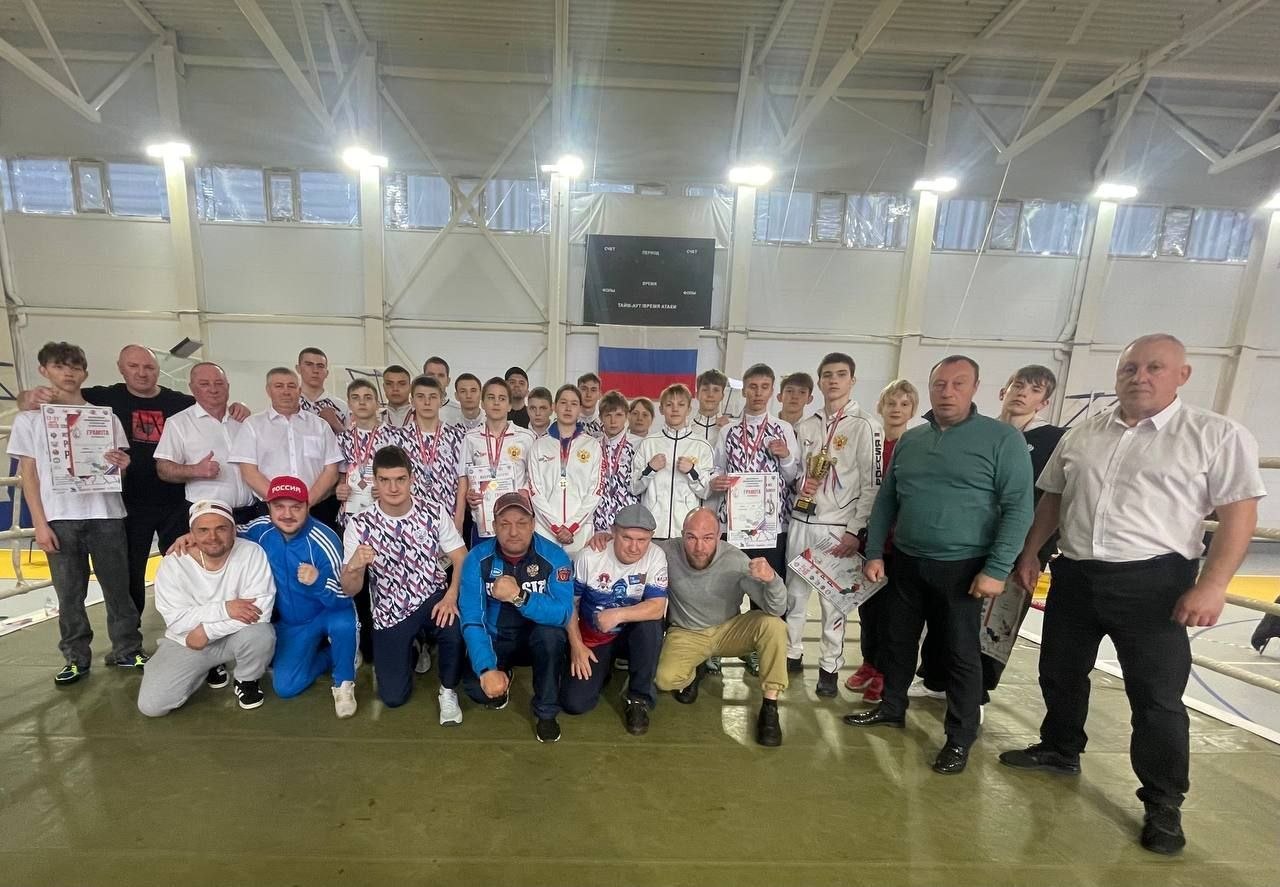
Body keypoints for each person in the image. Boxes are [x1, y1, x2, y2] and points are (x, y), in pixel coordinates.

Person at [1001, 334, 1266, 855]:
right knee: (1059, 671)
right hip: (1076, 575)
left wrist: (1213, 585)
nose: (1140, 377)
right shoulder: (1084, 433)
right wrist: (1030, 552)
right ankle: (1059, 748)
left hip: (1155, 584)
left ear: (1182, 375)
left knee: (1156, 698)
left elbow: (1240, 515)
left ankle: (1163, 802)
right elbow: (1053, 499)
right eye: (1130, 368)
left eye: (1154, 368)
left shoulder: (1214, 435)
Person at [847, 355, 1034, 778]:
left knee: (959, 653)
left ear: (975, 388)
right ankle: (892, 706)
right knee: (897, 641)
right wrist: (874, 551)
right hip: (908, 560)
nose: (947, 392)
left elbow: (1018, 508)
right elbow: (888, 499)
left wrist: (997, 568)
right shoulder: (913, 440)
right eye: (939, 384)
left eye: (958, 383)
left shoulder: (1001, 439)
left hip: (964, 567)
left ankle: (960, 735)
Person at [912, 365, 1065, 704]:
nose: (1022, 393)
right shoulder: (976, 432)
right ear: (1002, 391)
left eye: (1034, 390)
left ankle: (976, 693)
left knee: (997, 621)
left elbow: (1051, 498)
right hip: (967, 542)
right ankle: (935, 678)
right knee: (947, 613)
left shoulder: (1053, 440)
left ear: (1044, 402)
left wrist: (1031, 551)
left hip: (1017, 547)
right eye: (1018, 385)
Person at [22, 344, 198, 619]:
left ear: (158, 370)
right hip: (127, 502)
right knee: (129, 573)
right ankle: (132, 630)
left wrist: (239, 408)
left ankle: (192, 621)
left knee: (186, 564)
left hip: (173, 499)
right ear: (121, 368)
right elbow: (53, 396)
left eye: (149, 367)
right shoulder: (103, 397)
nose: (142, 373)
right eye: (134, 366)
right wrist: (27, 397)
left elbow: (212, 404)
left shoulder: (180, 402)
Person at [8, 342, 143, 683]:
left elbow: (117, 468)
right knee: (69, 594)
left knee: (118, 589)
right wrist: (40, 524)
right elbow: (28, 475)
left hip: (106, 513)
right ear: (44, 370)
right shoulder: (30, 419)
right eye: (59, 366)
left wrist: (122, 465)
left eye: (75, 367)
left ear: (85, 372)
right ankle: (75, 657)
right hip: (60, 517)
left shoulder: (105, 417)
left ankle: (127, 649)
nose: (68, 373)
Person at [342, 446, 469, 721]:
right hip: (390, 610)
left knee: (454, 627)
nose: (393, 487)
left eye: (400, 479)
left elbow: (462, 557)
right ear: (375, 481)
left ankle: (448, 690)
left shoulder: (433, 511)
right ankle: (414, 645)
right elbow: (350, 589)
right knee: (393, 698)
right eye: (385, 480)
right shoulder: (359, 524)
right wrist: (353, 566)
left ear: (411, 478)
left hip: (432, 596)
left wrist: (451, 595)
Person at [784, 352, 883, 696]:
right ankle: (792, 653)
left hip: (837, 526)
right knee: (794, 596)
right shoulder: (806, 425)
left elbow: (873, 485)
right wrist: (802, 484)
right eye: (827, 375)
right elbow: (796, 472)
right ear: (820, 381)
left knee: (834, 603)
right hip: (801, 519)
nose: (834, 380)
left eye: (841, 374)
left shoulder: (866, 426)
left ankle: (828, 668)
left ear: (852, 380)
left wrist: (856, 530)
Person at [654, 509, 788, 747]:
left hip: (729, 631)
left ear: (719, 536)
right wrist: (605, 539)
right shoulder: (667, 551)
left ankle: (770, 706)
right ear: (682, 535)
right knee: (664, 680)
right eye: (691, 537)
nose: (699, 547)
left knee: (773, 625)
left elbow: (775, 608)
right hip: (687, 632)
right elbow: (635, 543)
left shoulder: (736, 560)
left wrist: (772, 580)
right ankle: (695, 669)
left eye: (707, 538)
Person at [137, 500, 276, 716]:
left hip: (223, 635)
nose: (213, 537)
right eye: (203, 530)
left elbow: (260, 611)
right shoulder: (173, 563)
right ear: (191, 533)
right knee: (152, 707)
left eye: (221, 528)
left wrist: (207, 631)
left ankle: (246, 679)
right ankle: (206, 667)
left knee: (261, 634)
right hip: (188, 640)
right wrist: (226, 608)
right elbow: (177, 620)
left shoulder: (251, 552)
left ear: (234, 529)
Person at [459, 492, 573, 743]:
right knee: (478, 690)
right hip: (498, 638)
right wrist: (487, 668)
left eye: (521, 523)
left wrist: (519, 596)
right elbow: (472, 619)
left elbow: (563, 613)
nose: (513, 532)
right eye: (505, 524)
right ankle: (502, 672)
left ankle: (546, 712)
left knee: (552, 636)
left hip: (537, 639)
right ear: (494, 526)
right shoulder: (477, 558)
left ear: (533, 524)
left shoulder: (555, 556)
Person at [564, 504, 668, 735]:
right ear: (613, 532)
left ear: (651, 537)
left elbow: (657, 607)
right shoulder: (589, 557)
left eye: (642, 540)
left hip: (632, 635)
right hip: (595, 635)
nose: (634, 547)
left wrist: (618, 614)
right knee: (574, 704)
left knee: (651, 625)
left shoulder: (656, 556)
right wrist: (576, 645)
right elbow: (570, 605)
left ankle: (639, 698)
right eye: (627, 538)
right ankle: (605, 668)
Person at [845, 379, 919, 703]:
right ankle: (869, 662)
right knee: (868, 609)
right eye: (891, 403)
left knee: (893, 614)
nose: (897, 409)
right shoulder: (872, 443)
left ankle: (885, 672)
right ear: (881, 407)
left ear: (912, 410)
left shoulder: (914, 445)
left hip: (898, 544)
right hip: (868, 541)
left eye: (904, 404)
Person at [710, 363, 800, 578]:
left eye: (764, 387)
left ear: (772, 391)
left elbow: (792, 478)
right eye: (753, 386)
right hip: (734, 522)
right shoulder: (728, 430)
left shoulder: (783, 429)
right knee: (729, 587)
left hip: (770, 525)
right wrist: (715, 480)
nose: (758, 392)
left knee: (768, 587)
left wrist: (786, 456)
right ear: (744, 391)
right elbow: (716, 468)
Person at [155, 361, 259, 527]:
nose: (213, 389)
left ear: (228, 386)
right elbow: (163, 469)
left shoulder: (244, 420)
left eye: (219, 383)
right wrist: (195, 470)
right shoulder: (178, 423)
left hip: (251, 512)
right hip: (208, 517)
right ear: (192, 388)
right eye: (204, 384)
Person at [228, 367, 342, 516]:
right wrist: (280, 505)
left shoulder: (320, 426)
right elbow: (249, 472)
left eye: (291, 386)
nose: (286, 391)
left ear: (299, 390)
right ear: (268, 390)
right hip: (270, 508)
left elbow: (331, 471)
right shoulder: (252, 425)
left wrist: (306, 502)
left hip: (317, 507)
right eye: (279, 386)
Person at [631, 383, 715, 541]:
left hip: (687, 532)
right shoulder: (648, 443)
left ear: (689, 409)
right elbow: (634, 487)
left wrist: (692, 470)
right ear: (661, 409)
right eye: (669, 405)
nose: (675, 409)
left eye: (681, 405)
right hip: (653, 530)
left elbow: (706, 492)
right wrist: (650, 469)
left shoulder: (702, 446)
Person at [458, 378, 536, 541]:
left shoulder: (526, 437)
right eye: (491, 397)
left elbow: (536, 476)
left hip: (516, 523)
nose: (496, 403)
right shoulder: (471, 438)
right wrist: (469, 494)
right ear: (482, 403)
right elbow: (464, 477)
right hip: (483, 523)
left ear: (509, 405)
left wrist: (525, 492)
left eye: (502, 398)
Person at [528, 384, 603, 553]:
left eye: (574, 403)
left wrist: (573, 526)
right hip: (545, 530)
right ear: (554, 407)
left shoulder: (592, 446)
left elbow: (596, 490)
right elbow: (535, 491)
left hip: (580, 530)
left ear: (580, 409)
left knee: (579, 570)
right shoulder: (539, 446)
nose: (568, 408)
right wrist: (554, 526)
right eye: (563, 402)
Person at [397, 375, 466, 527]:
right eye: (420, 397)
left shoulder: (457, 437)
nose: (427, 402)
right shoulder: (399, 438)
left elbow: (462, 480)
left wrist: (459, 519)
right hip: (410, 518)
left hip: (447, 518)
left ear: (441, 400)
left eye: (433, 397)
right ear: (412, 401)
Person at [336, 379, 402, 526]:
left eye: (368, 397)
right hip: (350, 518)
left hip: (386, 517)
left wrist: (386, 488)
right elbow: (341, 475)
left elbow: (405, 475)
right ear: (349, 404)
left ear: (377, 404)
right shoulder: (342, 439)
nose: (362, 402)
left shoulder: (396, 436)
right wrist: (340, 488)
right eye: (356, 398)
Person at [592, 391, 639, 545]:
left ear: (627, 416)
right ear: (600, 418)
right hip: (598, 526)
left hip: (628, 524)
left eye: (618, 415)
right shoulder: (593, 446)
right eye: (608, 415)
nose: (613, 421)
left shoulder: (639, 445)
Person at [296, 347, 348, 434]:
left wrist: (336, 424)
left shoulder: (341, 407)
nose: (315, 370)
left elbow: (352, 440)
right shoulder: (288, 404)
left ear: (327, 373)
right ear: (298, 369)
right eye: (309, 364)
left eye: (320, 366)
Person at [691, 369, 730, 447]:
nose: (710, 395)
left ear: (722, 396)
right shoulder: (685, 428)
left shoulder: (731, 429)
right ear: (697, 395)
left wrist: (727, 432)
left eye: (716, 390)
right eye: (705, 389)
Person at [426, 357, 462, 426]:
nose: (436, 379)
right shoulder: (412, 411)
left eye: (441, 375)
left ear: (448, 381)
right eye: (431, 375)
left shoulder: (460, 413)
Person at [577, 372, 603, 437]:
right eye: (584, 389)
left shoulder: (606, 419)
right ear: (577, 392)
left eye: (593, 390)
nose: (588, 394)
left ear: (599, 394)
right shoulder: (568, 417)